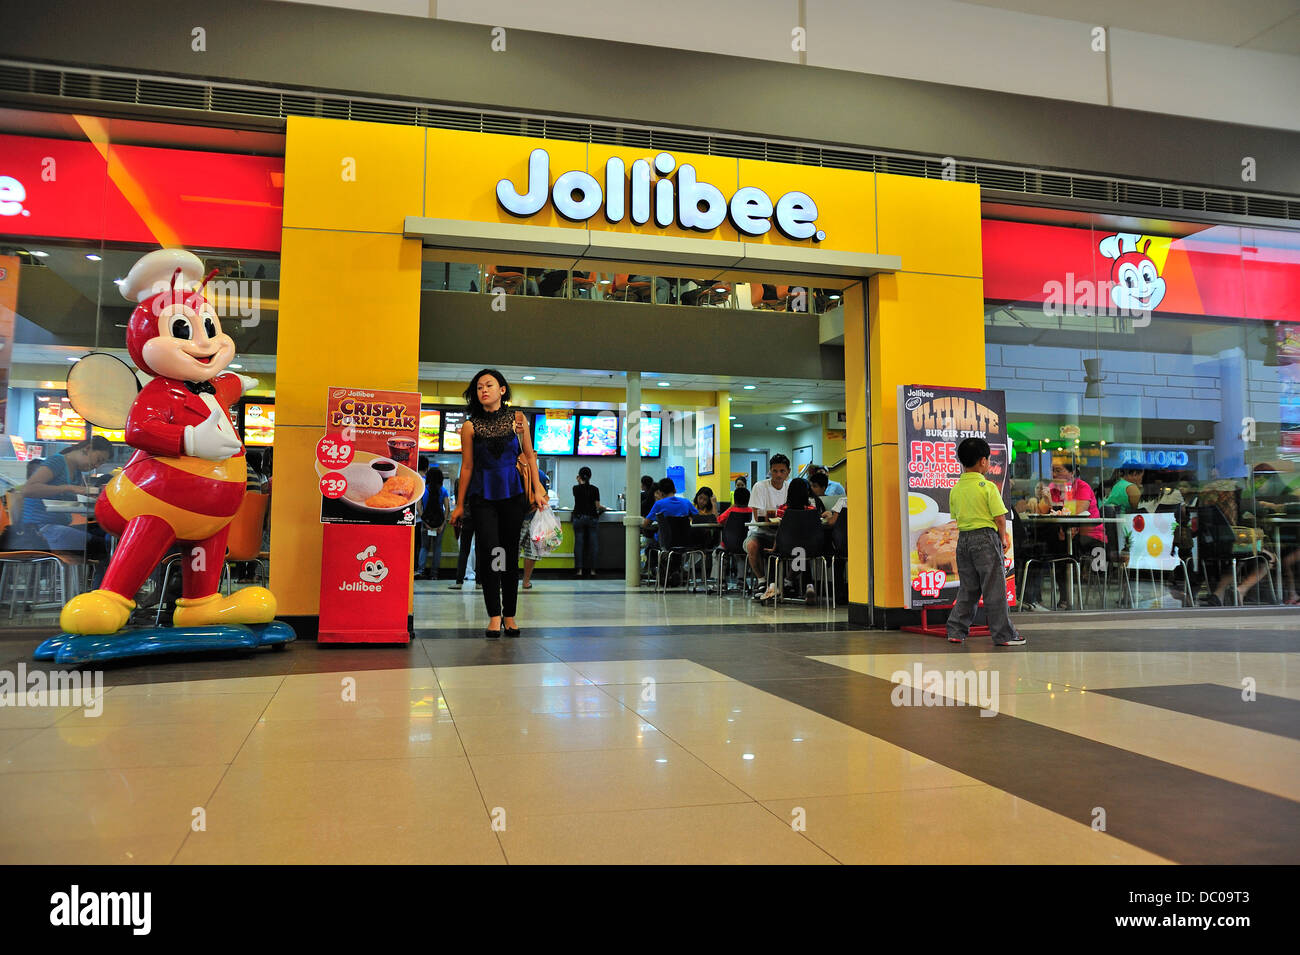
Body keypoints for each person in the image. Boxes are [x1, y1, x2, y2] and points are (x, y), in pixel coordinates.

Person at [449, 369, 548, 638]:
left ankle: (510, 615)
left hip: (512, 495)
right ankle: (494, 616)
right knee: (491, 554)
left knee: (509, 554)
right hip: (482, 497)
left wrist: (538, 490)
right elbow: (467, 466)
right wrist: (459, 505)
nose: (484, 390)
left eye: (489, 385)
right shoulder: (470, 426)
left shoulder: (518, 420)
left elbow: (529, 456)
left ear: (502, 390)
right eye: (479, 387)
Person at [947, 437, 1024, 646]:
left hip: (963, 541)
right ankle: (1004, 635)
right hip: (986, 539)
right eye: (989, 459)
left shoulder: (956, 488)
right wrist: (1002, 538)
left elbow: (956, 517)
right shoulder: (987, 487)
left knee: (968, 588)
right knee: (994, 589)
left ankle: (956, 630)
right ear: (983, 461)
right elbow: (1000, 518)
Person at [19, 435, 113, 551]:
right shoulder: (57, 462)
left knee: (106, 534)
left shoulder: (77, 472)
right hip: (40, 530)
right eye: (98, 460)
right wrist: (68, 488)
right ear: (88, 448)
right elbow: (28, 490)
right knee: (107, 547)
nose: (97, 466)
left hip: (59, 526)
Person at [1036, 458, 1105, 610]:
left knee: (1059, 547)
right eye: (1053, 470)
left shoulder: (1082, 487)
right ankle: (1041, 597)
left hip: (1090, 535)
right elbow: (1041, 511)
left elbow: (1076, 514)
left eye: (1058, 470)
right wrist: (1045, 499)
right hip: (1066, 534)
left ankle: (1065, 598)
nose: (1054, 474)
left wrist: (1053, 505)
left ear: (1072, 473)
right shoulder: (1054, 488)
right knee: (1047, 543)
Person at [746, 454, 791, 599]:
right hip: (760, 532)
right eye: (775, 471)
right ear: (770, 471)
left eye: (782, 471)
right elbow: (758, 515)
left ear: (788, 472)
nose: (778, 475)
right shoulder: (759, 487)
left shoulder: (791, 488)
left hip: (783, 532)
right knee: (752, 545)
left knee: (800, 548)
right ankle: (761, 580)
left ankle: (788, 582)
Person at [775, 477, 820, 604]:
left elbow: (778, 527)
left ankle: (788, 582)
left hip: (787, 546)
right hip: (811, 546)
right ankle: (808, 585)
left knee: (798, 550)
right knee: (802, 550)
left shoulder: (783, 510)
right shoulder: (812, 511)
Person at [520, 467, 551, 589]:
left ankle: (504, 580)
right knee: (532, 552)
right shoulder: (541, 475)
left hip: (517, 517)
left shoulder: (516, 470)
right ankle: (526, 581)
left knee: (510, 550)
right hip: (536, 518)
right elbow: (545, 495)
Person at [417, 467, 449, 580]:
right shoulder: (444, 490)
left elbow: (418, 506)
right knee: (437, 548)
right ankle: (434, 574)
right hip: (439, 523)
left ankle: (421, 571)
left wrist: (425, 522)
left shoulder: (423, 490)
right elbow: (447, 508)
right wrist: (442, 524)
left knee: (424, 547)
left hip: (426, 523)